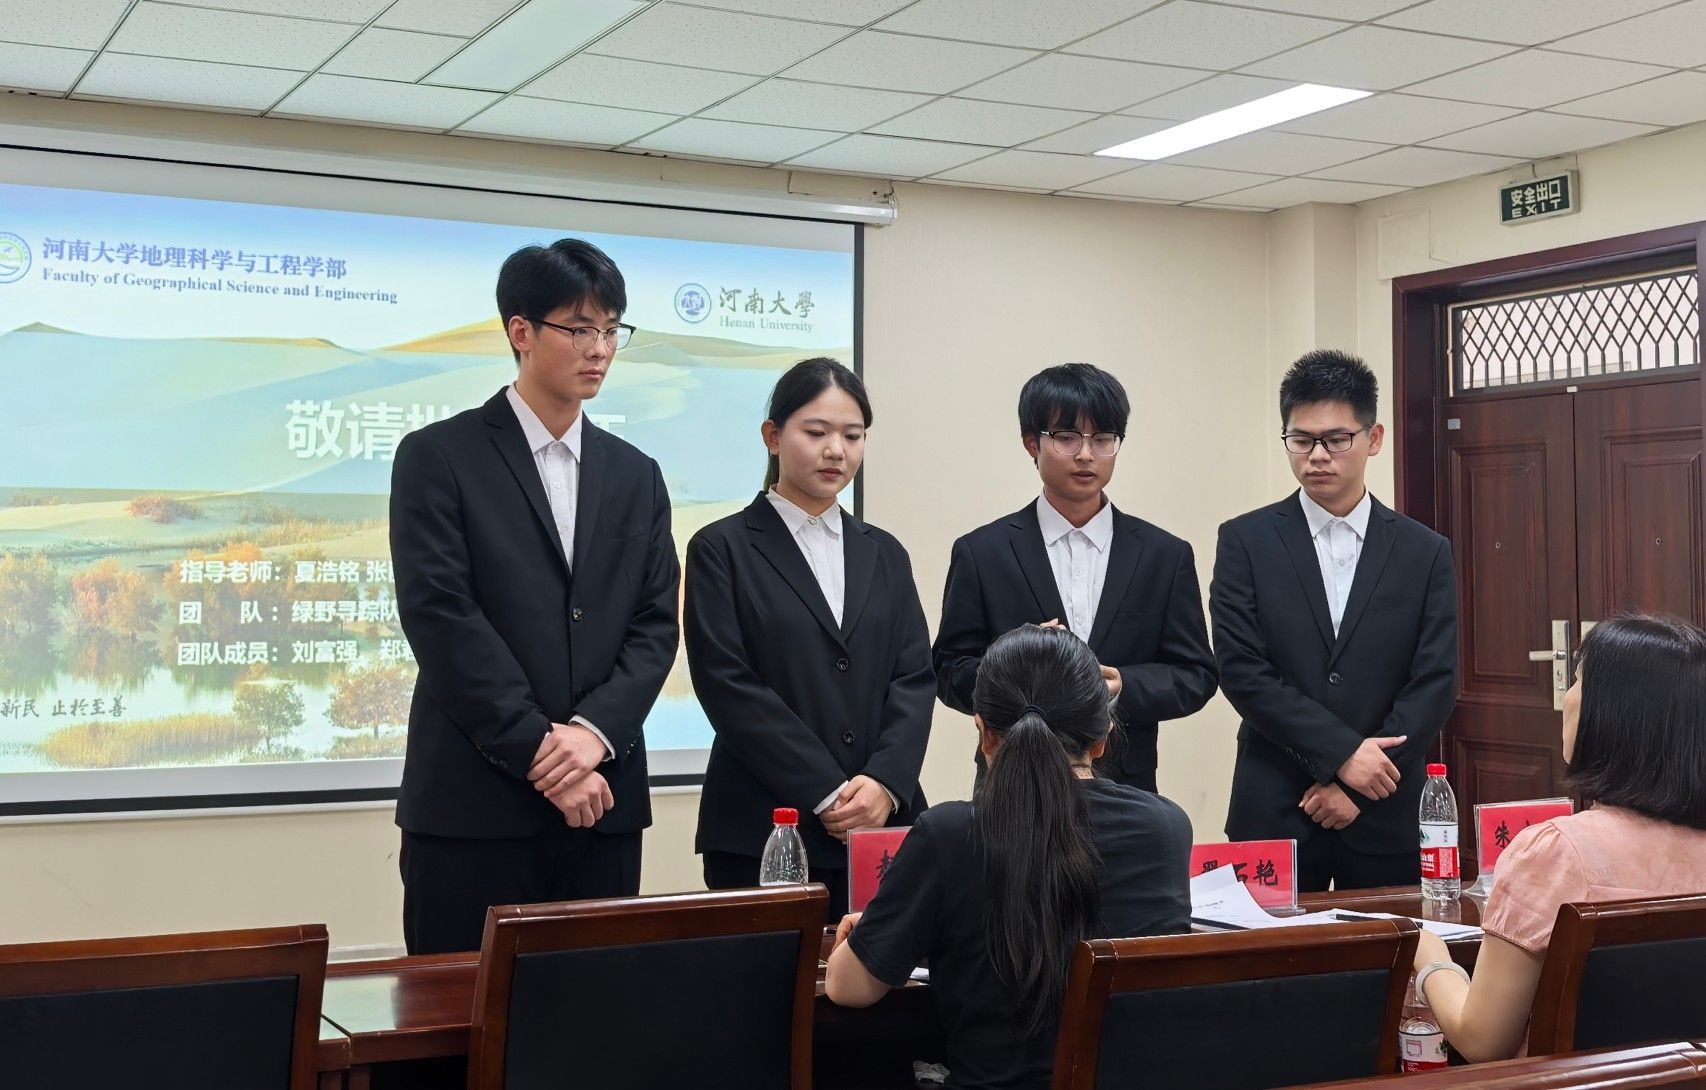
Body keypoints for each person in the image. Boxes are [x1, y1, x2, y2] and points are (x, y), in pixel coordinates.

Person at [389, 238, 680, 954]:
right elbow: (442, 616)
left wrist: (593, 735)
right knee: (460, 1012)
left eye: (611, 329)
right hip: (474, 811)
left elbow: (654, 624)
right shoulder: (439, 456)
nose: (600, 349)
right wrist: (540, 750)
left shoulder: (636, 474)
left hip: (602, 802)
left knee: (595, 1011)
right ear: (520, 331)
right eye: (579, 328)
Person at [827, 624, 1193, 1090]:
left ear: (984, 734)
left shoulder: (948, 834)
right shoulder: (1165, 828)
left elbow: (849, 989)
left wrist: (871, 935)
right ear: (1102, 736)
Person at [686, 357, 932, 917]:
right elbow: (727, 684)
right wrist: (828, 791)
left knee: (890, 974)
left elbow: (914, 678)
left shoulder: (885, 552)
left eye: (853, 436)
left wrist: (884, 783)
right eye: (816, 432)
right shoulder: (721, 548)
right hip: (763, 826)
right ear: (773, 437)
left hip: (883, 827)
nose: (835, 451)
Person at [1211, 349, 1458, 891]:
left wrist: (1359, 784)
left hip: (1384, 809)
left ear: (1374, 439)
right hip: (1275, 805)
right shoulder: (1245, 541)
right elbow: (1241, 670)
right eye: (1301, 440)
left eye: (1336, 439)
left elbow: (1435, 681)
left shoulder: (1424, 551)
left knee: (1391, 944)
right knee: (1267, 948)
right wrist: (1343, 756)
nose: (1317, 456)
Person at [1413, 613, 1706, 1062]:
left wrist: (1433, 961)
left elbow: (1483, 1041)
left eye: (1577, 680)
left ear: (1613, 713)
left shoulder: (1556, 853)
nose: (1566, 699)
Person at [932, 363, 1216, 792]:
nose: (1086, 454)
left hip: (1126, 786)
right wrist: (1021, 667)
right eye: (1066, 437)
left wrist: (1123, 686)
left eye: (1102, 439)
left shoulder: (1164, 555)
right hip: (1012, 787)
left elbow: (1195, 675)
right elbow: (949, 670)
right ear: (1032, 443)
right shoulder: (982, 552)